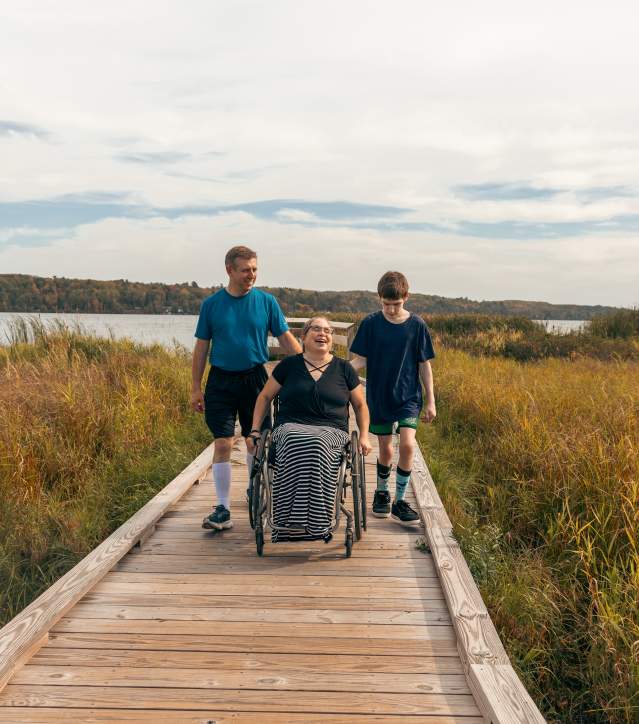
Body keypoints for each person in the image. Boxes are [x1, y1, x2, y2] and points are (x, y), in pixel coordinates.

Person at [191, 245, 301, 531]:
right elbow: (201, 348)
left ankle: (254, 489)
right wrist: (195, 387)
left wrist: (308, 368)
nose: (251, 275)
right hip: (221, 381)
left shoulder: (267, 302)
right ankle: (223, 509)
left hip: (255, 379)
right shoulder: (212, 305)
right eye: (245, 270)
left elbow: (286, 338)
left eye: (254, 269)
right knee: (223, 442)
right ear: (229, 270)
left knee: (255, 440)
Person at [248, 317, 372, 541]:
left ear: (332, 339)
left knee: (317, 443)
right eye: (316, 329)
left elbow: (361, 405)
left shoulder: (344, 369)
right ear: (303, 336)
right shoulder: (288, 365)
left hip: (331, 431)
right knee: (297, 439)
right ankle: (288, 522)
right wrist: (255, 430)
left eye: (328, 330)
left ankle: (316, 522)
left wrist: (364, 436)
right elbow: (265, 396)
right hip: (289, 428)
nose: (322, 333)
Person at [349, 271, 436, 525]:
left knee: (408, 445)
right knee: (386, 449)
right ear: (379, 299)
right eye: (385, 304)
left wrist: (431, 400)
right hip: (379, 395)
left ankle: (400, 500)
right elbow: (361, 360)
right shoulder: (371, 323)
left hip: (408, 396)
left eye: (395, 304)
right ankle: (382, 493)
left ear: (406, 297)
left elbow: (424, 365)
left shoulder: (417, 325)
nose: (390, 309)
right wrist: (337, 371)